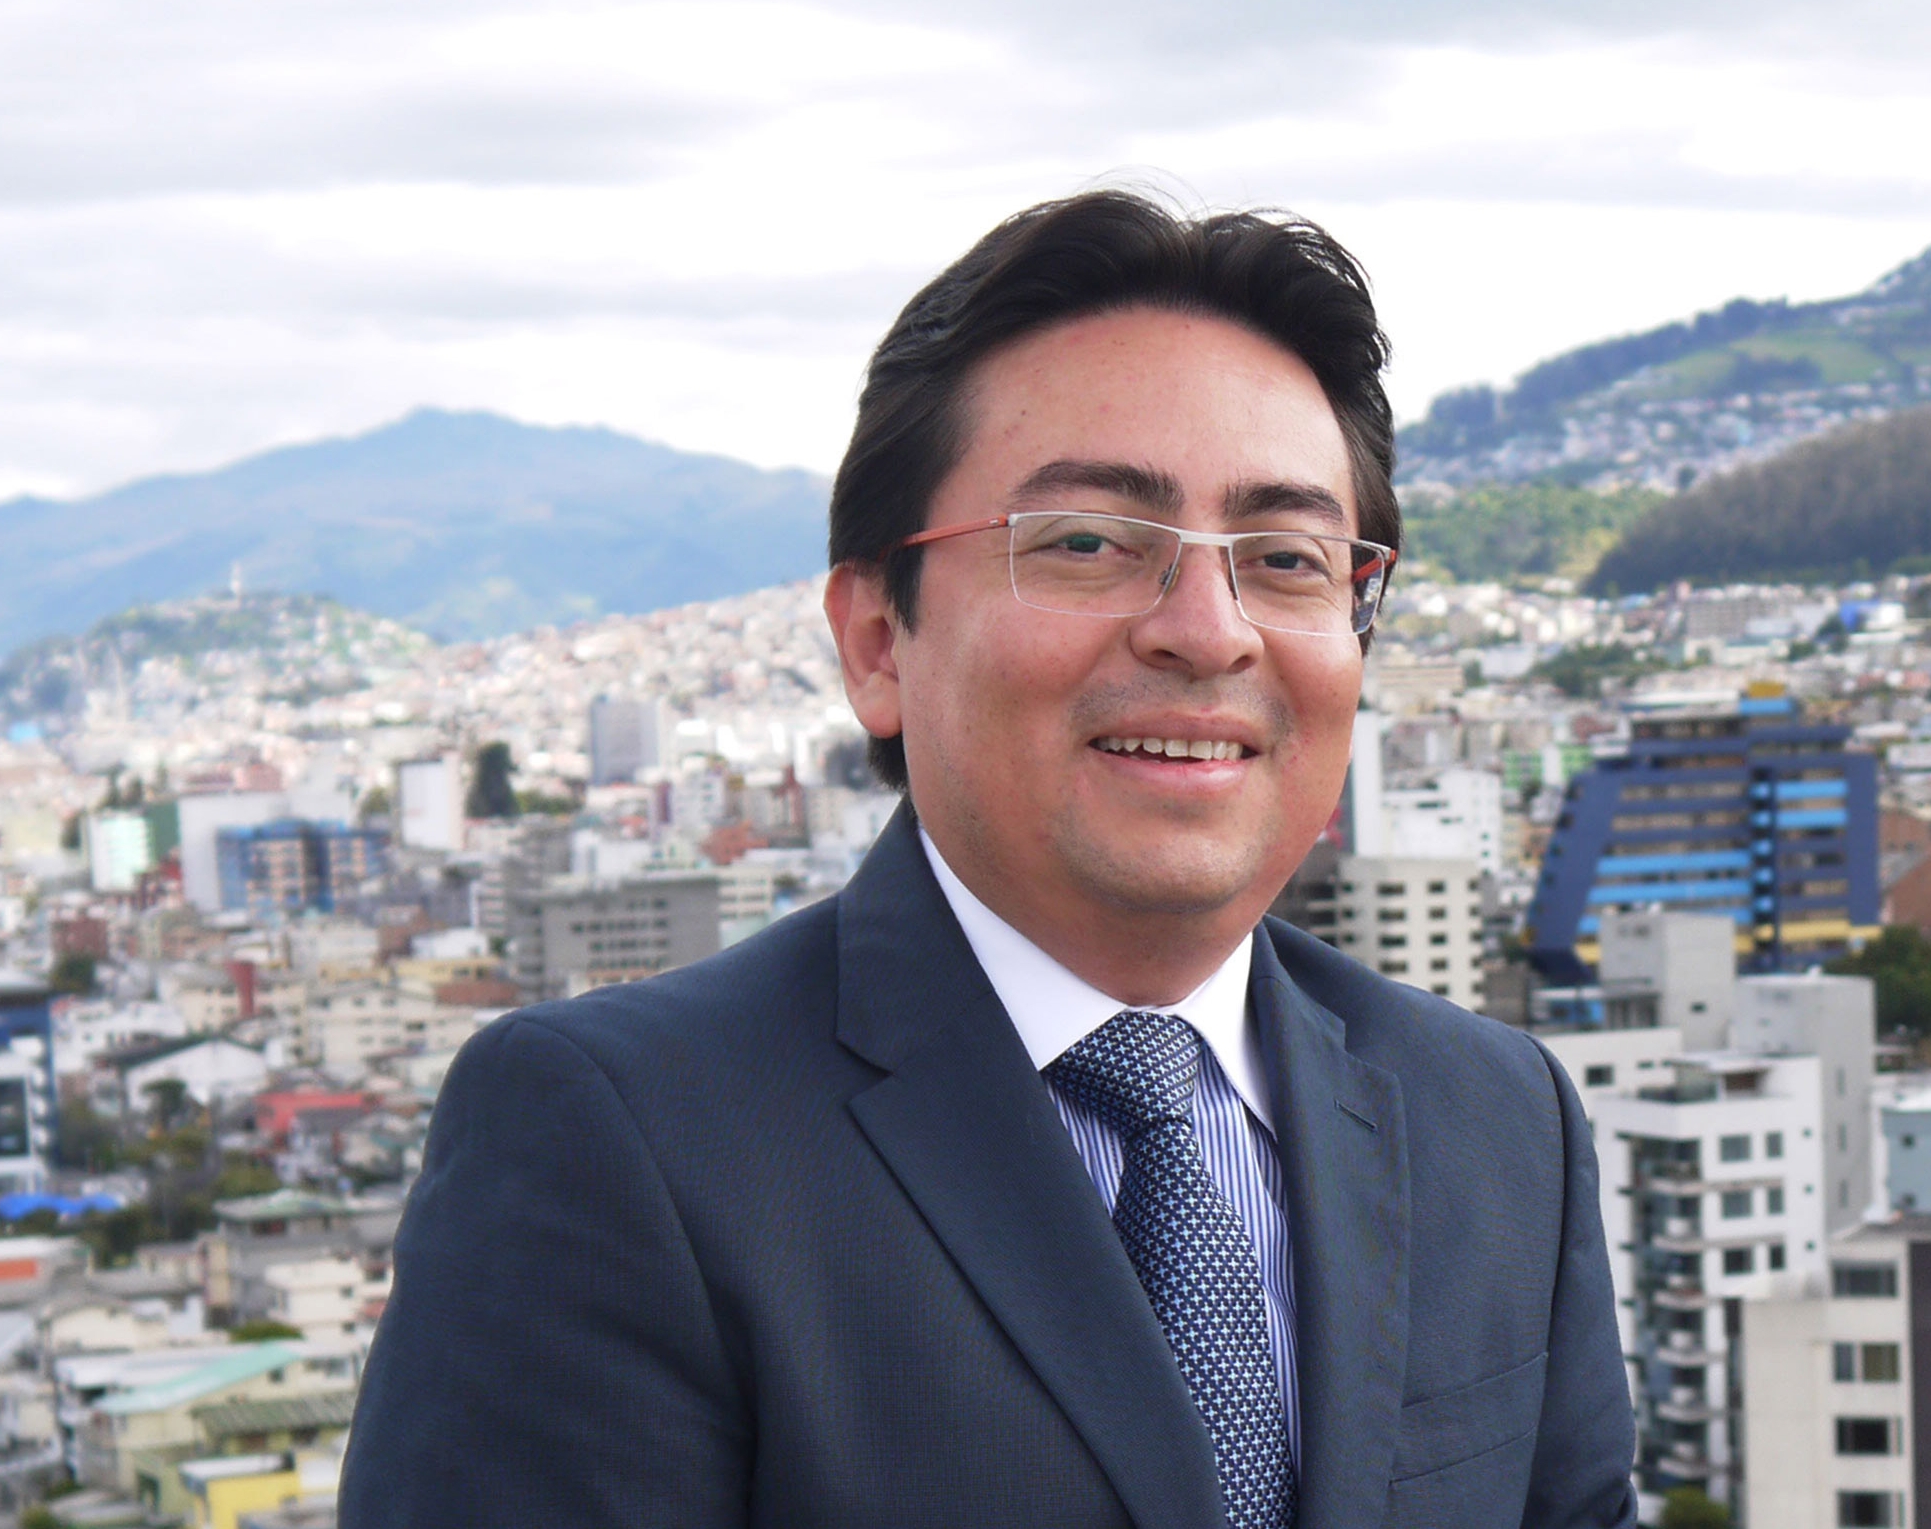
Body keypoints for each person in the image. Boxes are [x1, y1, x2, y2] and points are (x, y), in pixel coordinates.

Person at [341, 190, 1635, 1528]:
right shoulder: (622, 1141)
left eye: (1287, 558)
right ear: (875, 641)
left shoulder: (1493, 1122)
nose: (1208, 631)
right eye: (1086, 542)